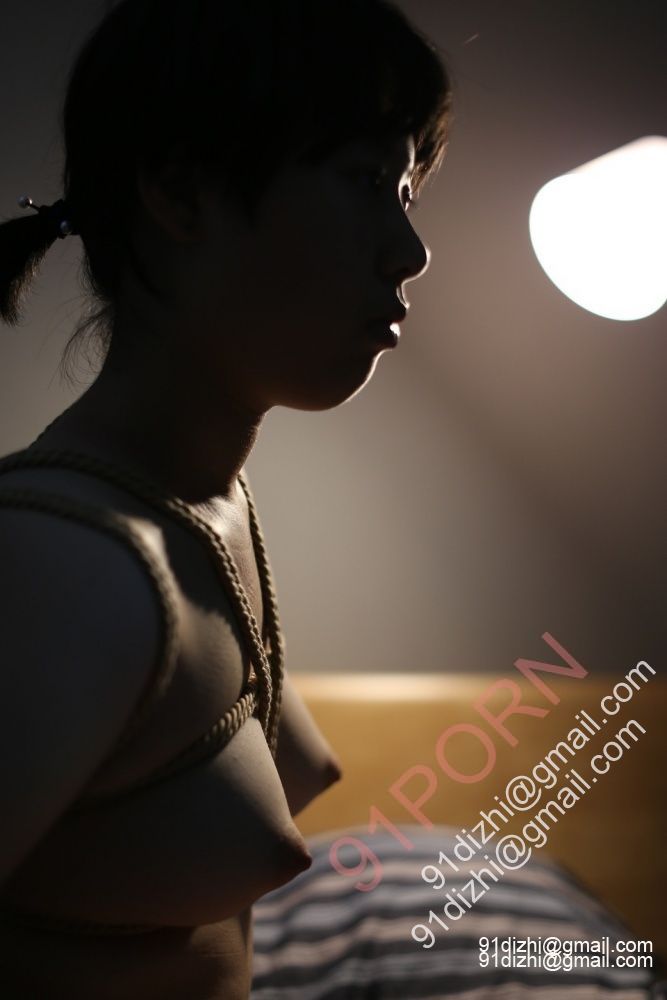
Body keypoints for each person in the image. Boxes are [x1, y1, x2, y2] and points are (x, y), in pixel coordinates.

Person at [0, 0, 452, 996]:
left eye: (407, 190)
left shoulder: (200, 505)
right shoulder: (65, 564)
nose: (409, 250)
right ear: (180, 191)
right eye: (363, 181)